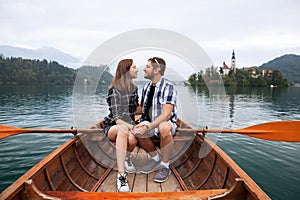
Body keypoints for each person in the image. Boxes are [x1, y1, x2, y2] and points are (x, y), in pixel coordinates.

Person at [133, 57, 178, 183]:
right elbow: (142, 108)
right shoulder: (147, 87)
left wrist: (148, 127)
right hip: (150, 122)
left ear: (157, 70)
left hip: (166, 123)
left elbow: (167, 114)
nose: (144, 69)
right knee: (136, 130)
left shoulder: (168, 86)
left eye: (147, 67)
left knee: (164, 127)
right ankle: (155, 158)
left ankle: (165, 165)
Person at [103, 59, 139, 192]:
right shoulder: (114, 90)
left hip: (128, 125)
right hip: (113, 126)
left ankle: (127, 158)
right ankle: (121, 175)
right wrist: (132, 127)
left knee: (133, 139)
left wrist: (137, 125)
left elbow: (133, 112)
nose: (137, 69)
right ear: (126, 70)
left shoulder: (134, 88)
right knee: (123, 129)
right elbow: (117, 120)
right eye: (134, 67)